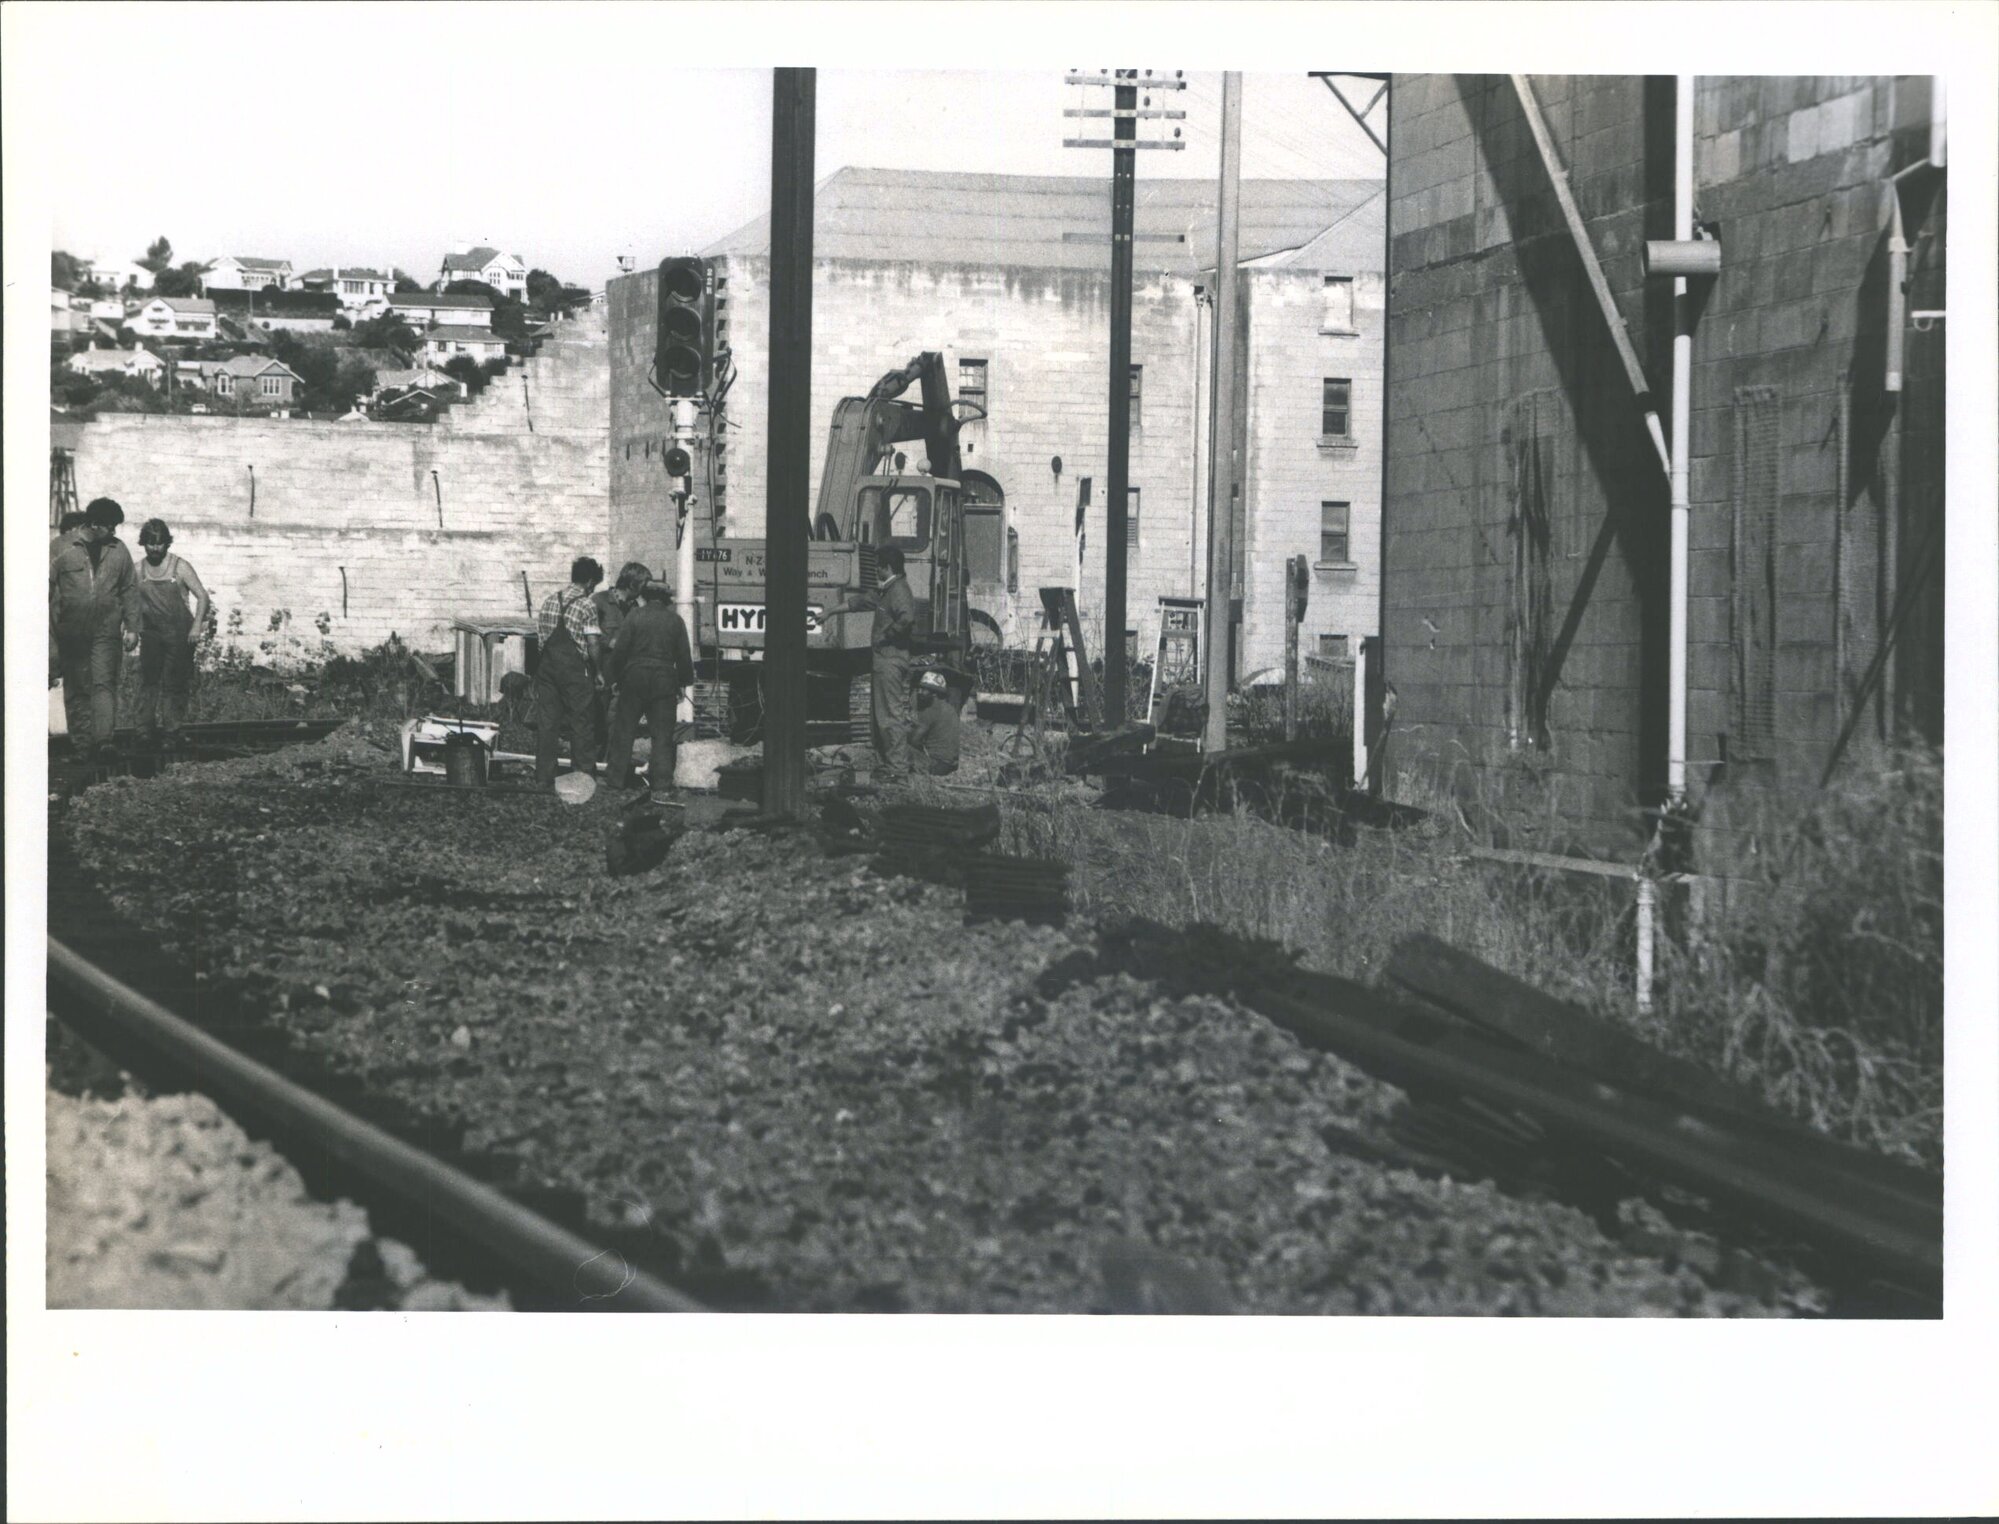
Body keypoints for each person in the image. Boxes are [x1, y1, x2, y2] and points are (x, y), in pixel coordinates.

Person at [50, 497, 138, 752]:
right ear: (95, 523)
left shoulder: (118, 549)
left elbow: (129, 588)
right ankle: (81, 744)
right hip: (72, 631)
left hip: (106, 630)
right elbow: (45, 589)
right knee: (77, 687)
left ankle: (104, 741)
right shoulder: (61, 547)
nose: (114, 532)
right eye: (110, 527)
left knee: (104, 682)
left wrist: (132, 627)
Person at [826, 544, 918, 777]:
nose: (876, 571)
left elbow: (907, 619)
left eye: (878, 567)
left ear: (887, 568)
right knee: (880, 717)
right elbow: (860, 602)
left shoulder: (899, 591)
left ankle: (897, 768)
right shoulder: (887, 590)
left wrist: (885, 636)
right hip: (883, 660)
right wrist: (830, 612)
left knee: (889, 716)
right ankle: (888, 764)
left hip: (890, 660)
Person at [604, 580, 695, 792]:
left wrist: (614, 679)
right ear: (666, 599)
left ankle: (615, 780)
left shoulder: (634, 616)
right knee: (662, 735)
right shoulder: (675, 621)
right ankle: (661, 783)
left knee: (624, 731)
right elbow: (683, 656)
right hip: (664, 681)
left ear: (644, 596)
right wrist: (683, 684)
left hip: (634, 678)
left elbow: (620, 651)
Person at [132, 518, 211, 743]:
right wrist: (132, 628)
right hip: (152, 634)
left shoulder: (180, 566)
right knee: (148, 681)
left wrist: (196, 625)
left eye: (159, 543)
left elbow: (202, 596)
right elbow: (130, 600)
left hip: (179, 633)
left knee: (175, 682)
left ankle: (172, 730)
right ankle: (144, 731)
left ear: (167, 543)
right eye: (150, 543)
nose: (154, 548)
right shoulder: (139, 570)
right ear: (144, 543)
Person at [533, 556, 604, 788]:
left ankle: (544, 777)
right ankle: (583, 777)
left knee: (547, 723)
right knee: (581, 723)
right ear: (591, 581)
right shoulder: (587, 605)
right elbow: (593, 642)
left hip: (547, 668)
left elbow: (541, 640)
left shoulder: (549, 601)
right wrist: (598, 670)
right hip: (574, 671)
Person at [592, 561, 651, 754]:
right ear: (632, 584)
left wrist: (644, 611)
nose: (645, 589)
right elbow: (587, 636)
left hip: (625, 676)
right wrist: (609, 642)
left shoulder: (638, 607)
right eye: (642, 584)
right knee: (596, 721)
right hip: (601, 673)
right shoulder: (599, 601)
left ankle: (609, 764)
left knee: (617, 723)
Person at [906, 668, 962, 776]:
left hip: (936, 764)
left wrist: (904, 730)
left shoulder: (930, 709)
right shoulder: (948, 707)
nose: (919, 692)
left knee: (897, 746)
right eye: (920, 689)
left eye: (924, 690)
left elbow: (914, 740)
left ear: (935, 693)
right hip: (950, 764)